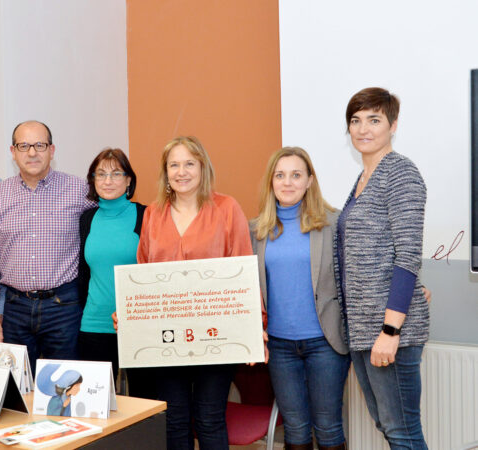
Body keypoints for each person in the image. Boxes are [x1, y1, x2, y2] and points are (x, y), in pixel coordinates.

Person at [136, 136, 256, 449]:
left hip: (216, 334)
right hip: (165, 337)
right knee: (174, 419)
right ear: (165, 171)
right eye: (174, 164)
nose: (182, 171)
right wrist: (130, 313)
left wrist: (256, 327)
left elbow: (243, 270)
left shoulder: (226, 208)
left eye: (189, 163)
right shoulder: (153, 214)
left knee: (209, 417)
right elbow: (143, 272)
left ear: (202, 167)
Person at [337, 87, 429, 449]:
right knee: (388, 426)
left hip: (388, 331)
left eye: (374, 120)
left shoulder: (400, 173)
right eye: (355, 121)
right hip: (362, 329)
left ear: (392, 125)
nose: (363, 129)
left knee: (402, 430)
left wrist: (391, 331)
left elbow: (407, 255)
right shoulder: (363, 179)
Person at [0, 120, 96, 374]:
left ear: (52, 150)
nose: (32, 153)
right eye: (24, 146)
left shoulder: (78, 189)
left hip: (64, 307)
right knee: (16, 389)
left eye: (40, 145)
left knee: (66, 385)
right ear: (13, 152)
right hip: (15, 309)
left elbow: (106, 226)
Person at [252, 147, 349, 450]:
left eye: (296, 175)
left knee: (328, 425)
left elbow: (358, 274)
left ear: (309, 181)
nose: (287, 182)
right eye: (280, 175)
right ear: (271, 182)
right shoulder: (256, 230)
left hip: (325, 343)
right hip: (280, 347)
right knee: (294, 427)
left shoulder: (333, 224)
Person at [77, 148, 156, 399]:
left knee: (145, 405)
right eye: (100, 174)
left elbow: (155, 272)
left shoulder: (146, 215)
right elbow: (84, 273)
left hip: (138, 326)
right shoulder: (87, 219)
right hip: (94, 324)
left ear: (129, 179)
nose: (107, 181)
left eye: (115, 173)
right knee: (95, 406)